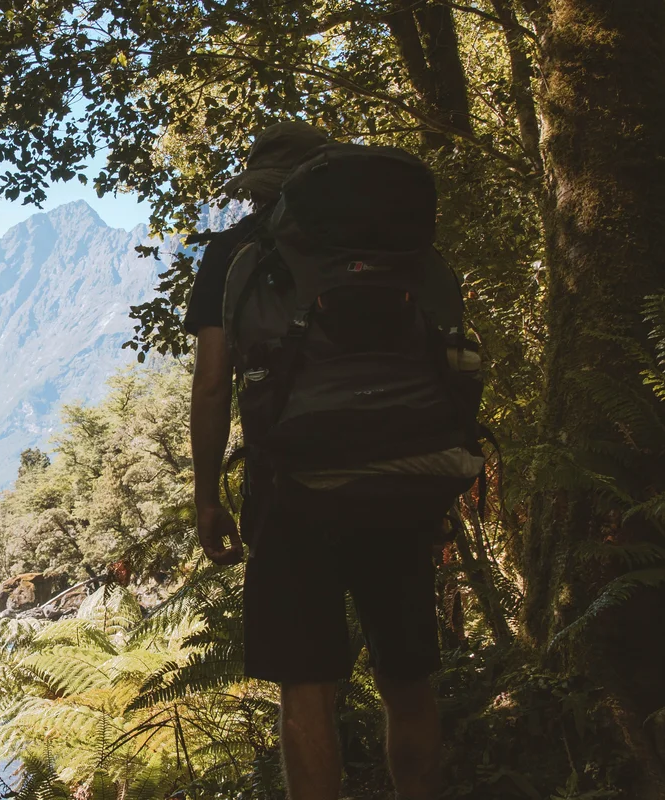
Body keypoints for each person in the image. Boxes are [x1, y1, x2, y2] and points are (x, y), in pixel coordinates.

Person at [188, 121, 449, 800]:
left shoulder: (235, 250)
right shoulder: (401, 246)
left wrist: (207, 492)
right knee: (408, 677)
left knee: (307, 685)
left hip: (291, 486)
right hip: (402, 478)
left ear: (264, 189)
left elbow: (214, 381)